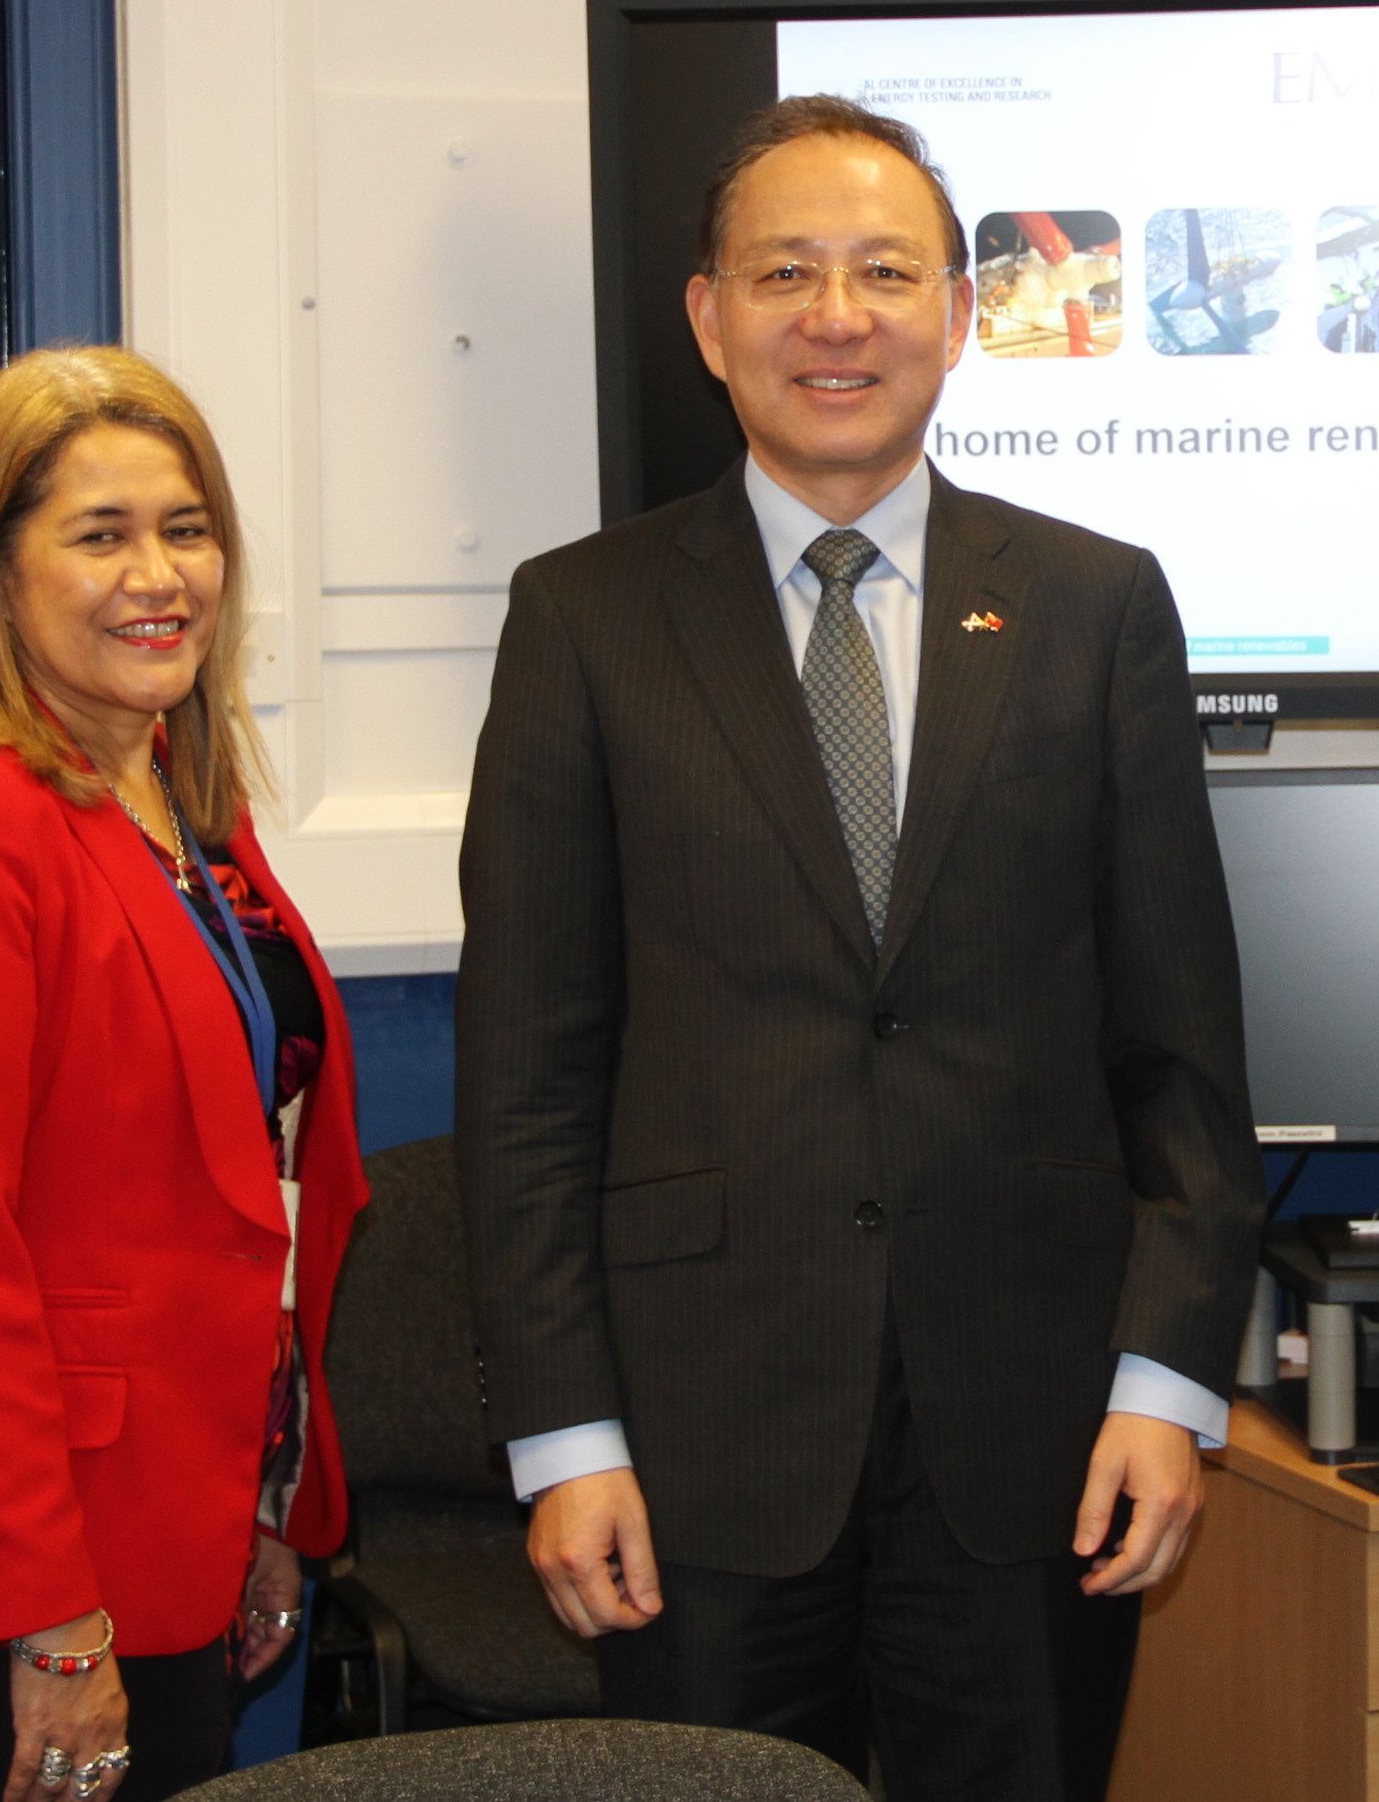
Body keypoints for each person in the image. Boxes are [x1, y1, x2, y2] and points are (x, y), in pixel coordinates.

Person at [455, 94, 1262, 1800]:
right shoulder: (583, 618)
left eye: (886, 273)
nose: (838, 317)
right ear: (709, 318)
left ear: (959, 316)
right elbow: (526, 1073)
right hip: (696, 1444)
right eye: (786, 274)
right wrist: (565, 1437)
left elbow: (1180, 1052)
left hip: (1037, 1432)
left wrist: (1165, 1387)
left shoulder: (1095, 606)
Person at [0, 348, 368, 1802]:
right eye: (100, 535)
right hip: (38, 1549)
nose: (158, 576)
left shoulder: (182, 799)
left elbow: (255, 1175)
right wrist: (49, 1617)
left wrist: (261, 1503)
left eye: (186, 529)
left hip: (187, 1503)